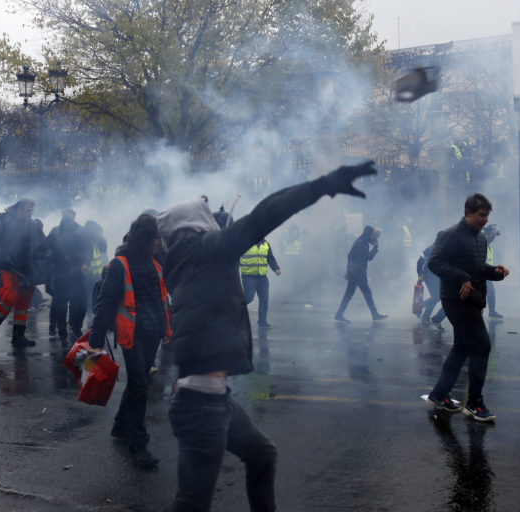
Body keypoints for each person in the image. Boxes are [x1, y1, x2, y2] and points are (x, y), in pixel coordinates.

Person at [157, 161, 376, 512]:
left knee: (261, 455)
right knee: (192, 505)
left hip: (209, 398)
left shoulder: (184, 260)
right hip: (201, 406)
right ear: (197, 226)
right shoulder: (207, 252)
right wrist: (324, 184)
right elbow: (265, 214)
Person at [87, 214, 171, 469]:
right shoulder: (119, 265)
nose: (160, 242)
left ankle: (120, 426)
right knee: (139, 385)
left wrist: (167, 327)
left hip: (153, 331)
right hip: (131, 334)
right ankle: (138, 445)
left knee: (138, 382)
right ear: (145, 237)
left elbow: (162, 296)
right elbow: (105, 303)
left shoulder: (157, 260)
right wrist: (96, 340)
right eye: (156, 238)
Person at [425, 193, 509, 422]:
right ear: (468, 212)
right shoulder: (450, 234)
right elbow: (434, 262)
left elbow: (478, 268)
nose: (485, 220)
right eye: (482, 215)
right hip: (456, 300)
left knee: (461, 349)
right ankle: (474, 403)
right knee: (482, 346)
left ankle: (439, 394)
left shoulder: (480, 238)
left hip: (474, 299)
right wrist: (461, 277)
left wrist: (496, 272)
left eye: (487, 215)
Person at [0, 199, 49, 347]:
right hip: (8, 267)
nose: (30, 213)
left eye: (31, 211)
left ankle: (18, 337)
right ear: (18, 209)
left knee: (24, 302)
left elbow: (43, 245)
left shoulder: (33, 225)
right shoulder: (1, 223)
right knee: (9, 298)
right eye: (28, 210)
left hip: (28, 270)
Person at [47, 209, 92, 343]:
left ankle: (75, 326)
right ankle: (55, 326)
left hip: (77, 273)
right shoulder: (55, 232)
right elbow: (47, 250)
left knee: (80, 303)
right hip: (60, 274)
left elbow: (88, 250)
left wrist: (85, 263)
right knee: (59, 303)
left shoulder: (82, 232)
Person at [334, 226, 388, 324]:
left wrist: (350, 270)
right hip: (357, 273)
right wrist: (375, 247)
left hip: (354, 272)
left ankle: (339, 314)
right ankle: (374, 314)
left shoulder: (360, 242)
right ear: (369, 235)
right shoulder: (362, 244)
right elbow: (368, 257)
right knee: (366, 293)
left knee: (349, 295)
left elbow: (351, 256)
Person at [240, 239, 281, 328]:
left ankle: (262, 322)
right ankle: (233, 314)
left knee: (264, 299)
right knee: (248, 298)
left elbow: (270, 258)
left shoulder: (266, 244)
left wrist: (276, 268)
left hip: (262, 277)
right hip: (249, 277)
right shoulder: (244, 242)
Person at [416, 233, 446, 329]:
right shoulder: (430, 249)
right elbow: (419, 262)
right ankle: (418, 307)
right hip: (429, 275)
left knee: (436, 297)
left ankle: (425, 317)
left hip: (439, 276)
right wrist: (420, 275)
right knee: (436, 297)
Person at [482, 224, 504, 319]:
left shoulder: (489, 243)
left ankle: (491, 311)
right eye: (493, 235)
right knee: (483, 293)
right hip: (481, 273)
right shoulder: (482, 243)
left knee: (490, 291)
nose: (494, 238)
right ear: (487, 234)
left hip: (487, 273)